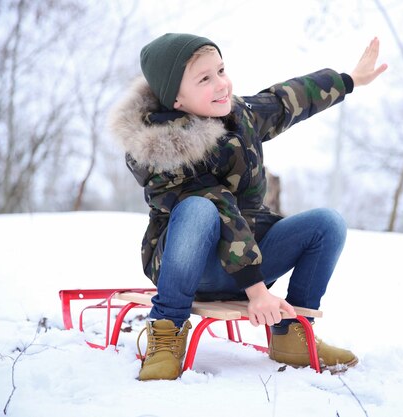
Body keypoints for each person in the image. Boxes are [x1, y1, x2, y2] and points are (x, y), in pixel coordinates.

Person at [108, 32, 387, 381]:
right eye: (205, 79)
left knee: (326, 223)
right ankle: (166, 332)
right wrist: (257, 291)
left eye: (221, 70)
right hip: (190, 266)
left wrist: (348, 80)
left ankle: (291, 334)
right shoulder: (164, 149)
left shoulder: (241, 115)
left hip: (247, 260)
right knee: (199, 208)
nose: (222, 84)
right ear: (176, 99)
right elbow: (220, 206)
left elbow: (286, 100)